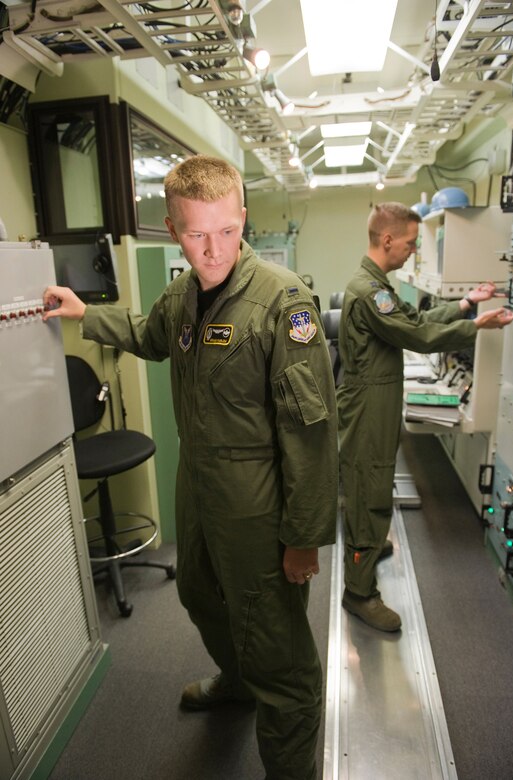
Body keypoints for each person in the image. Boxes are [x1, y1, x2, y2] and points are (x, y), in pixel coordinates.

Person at [43, 155, 339, 780]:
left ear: (243, 219)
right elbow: (150, 334)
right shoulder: (182, 294)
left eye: (227, 232)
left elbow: (310, 434)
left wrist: (304, 537)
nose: (214, 251)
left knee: (277, 649)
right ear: (173, 228)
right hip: (199, 491)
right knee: (200, 594)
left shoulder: (284, 303)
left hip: (259, 502)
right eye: (197, 234)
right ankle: (236, 682)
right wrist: (82, 313)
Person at [337, 201, 513, 633]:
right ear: (387, 240)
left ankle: (371, 544)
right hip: (367, 410)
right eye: (412, 243)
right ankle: (358, 592)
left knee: (375, 483)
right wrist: (476, 326)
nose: (414, 252)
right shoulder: (369, 290)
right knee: (368, 491)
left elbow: (413, 319)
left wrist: (463, 306)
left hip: (375, 402)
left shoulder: (377, 284)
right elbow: (417, 334)